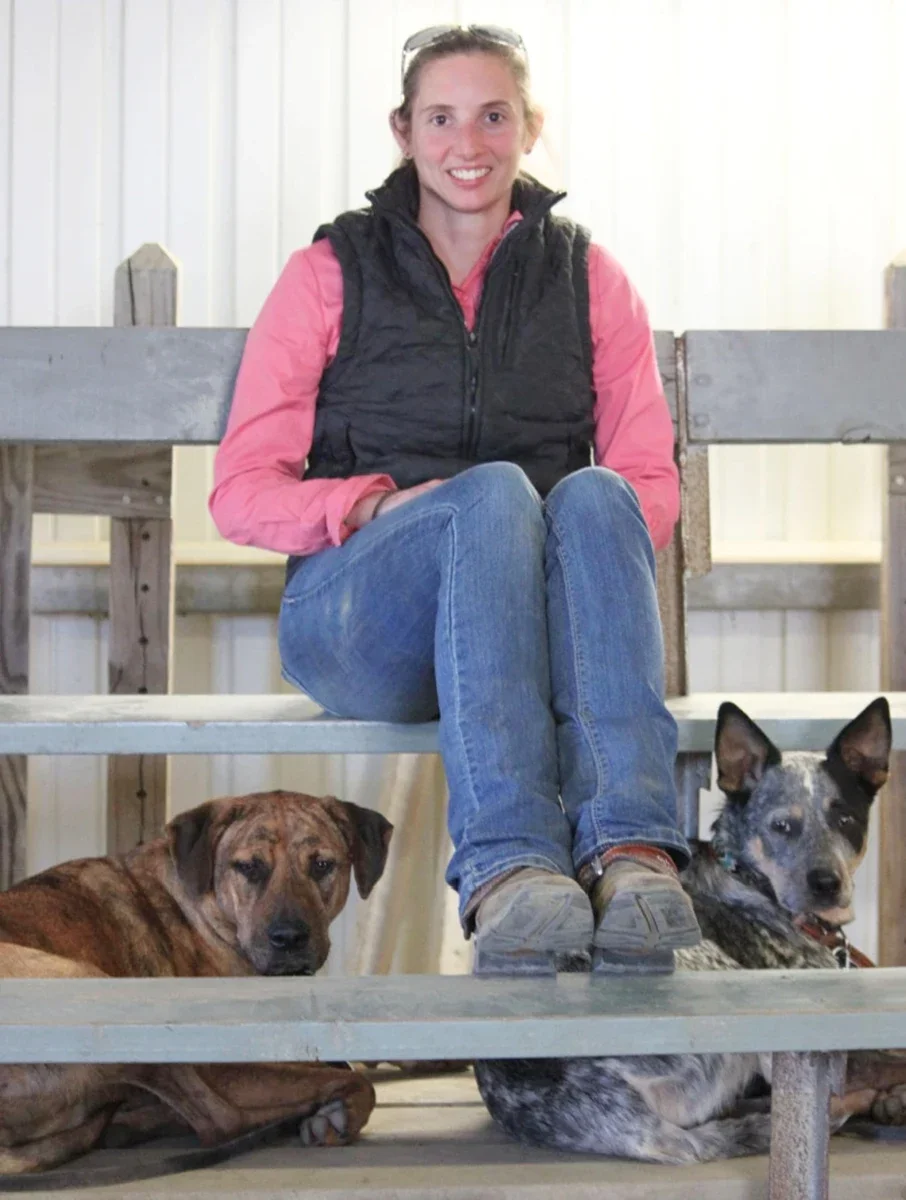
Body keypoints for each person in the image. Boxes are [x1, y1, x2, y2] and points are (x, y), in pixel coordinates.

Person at [209, 24, 701, 975]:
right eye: (441, 117)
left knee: (600, 493)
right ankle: (509, 863)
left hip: (530, 633)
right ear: (403, 130)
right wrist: (374, 508)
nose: (466, 144)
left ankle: (631, 850)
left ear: (529, 127)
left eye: (492, 116)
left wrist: (558, 568)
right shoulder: (329, 274)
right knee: (491, 497)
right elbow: (240, 494)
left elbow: (650, 484)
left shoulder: (591, 278)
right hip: (360, 622)